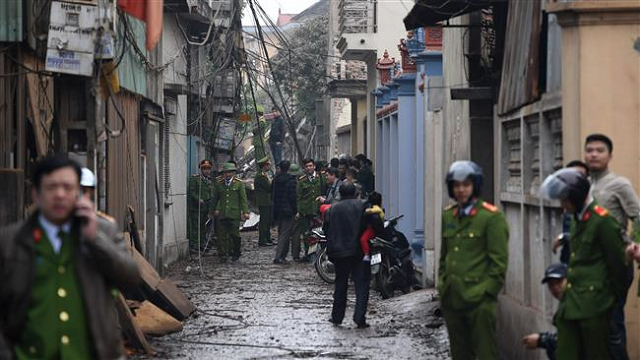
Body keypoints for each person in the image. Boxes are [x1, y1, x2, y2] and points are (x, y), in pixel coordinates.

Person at [0, 155, 140, 359]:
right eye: (51, 187)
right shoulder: (10, 242)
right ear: (36, 194)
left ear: (79, 193)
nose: (59, 194)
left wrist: (94, 240)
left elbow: (131, 279)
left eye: (67, 187)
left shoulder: (104, 230)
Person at [538, 168, 628, 360]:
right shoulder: (578, 219)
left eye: (565, 200)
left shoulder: (602, 221)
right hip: (572, 304)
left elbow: (619, 267)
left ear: (577, 198)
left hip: (595, 306)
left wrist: (609, 301)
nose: (563, 205)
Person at [438, 160, 509, 360]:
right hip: (452, 297)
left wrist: (487, 294)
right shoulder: (448, 216)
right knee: (460, 354)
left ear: (475, 186)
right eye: (456, 185)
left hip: (479, 300)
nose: (461, 190)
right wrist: (442, 284)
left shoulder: (491, 217)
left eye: (466, 185)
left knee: (486, 353)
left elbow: (499, 262)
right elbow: (445, 256)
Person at [584, 134, 639, 360]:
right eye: (590, 150)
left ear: (610, 155)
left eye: (600, 150)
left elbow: (638, 216)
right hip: (590, 263)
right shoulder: (584, 185)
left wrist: (634, 244)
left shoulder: (619, 184)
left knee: (612, 323)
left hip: (615, 262)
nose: (594, 154)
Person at [324, 184, 370, 328]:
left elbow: (327, 230)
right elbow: (368, 225)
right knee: (361, 285)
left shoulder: (332, 209)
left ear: (340, 194)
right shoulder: (362, 206)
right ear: (355, 193)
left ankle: (337, 317)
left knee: (341, 284)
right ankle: (359, 317)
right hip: (358, 251)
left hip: (340, 252)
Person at [522, 263, 568, 360]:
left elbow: (571, 341)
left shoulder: (575, 306)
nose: (555, 288)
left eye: (559, 282)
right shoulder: (564, 304)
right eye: (551, 285)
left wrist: (541, 340)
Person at [552, 160, 590, 264]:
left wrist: (563, 237)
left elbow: (586, 234)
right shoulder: (568, 202)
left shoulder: (593, 208)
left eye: (581, 176)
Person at [214, 162, 250, 262]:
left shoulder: (239, 183)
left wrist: (245, 211)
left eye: (230, 172)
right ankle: (223, 254)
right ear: (223, 173)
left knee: (235, 234)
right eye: (226, 173)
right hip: (222, 212)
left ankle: (236, 252)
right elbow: (216, 199)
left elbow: (243, 199)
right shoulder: (219, 183)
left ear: (233, 173)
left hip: (234, 213)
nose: (228, 175)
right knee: (222, 235)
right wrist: (213, 210)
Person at [293, 158, 324, 262]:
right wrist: (298, 211)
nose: (309, 168)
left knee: (319, 233)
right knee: (306, 234)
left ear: (314, 166)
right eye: (306, 166)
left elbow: (324, 190)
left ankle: (320, 255)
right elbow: (299, 197)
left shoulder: (321, 177)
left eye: (310, 166)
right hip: (305, 211)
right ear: (304, 168)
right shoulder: (301, 180)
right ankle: (308, 254)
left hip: (318, 210)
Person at [273, 162, 298, 264]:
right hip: (288, 211)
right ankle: (279, 256)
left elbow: (273, 195)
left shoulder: (276, 180)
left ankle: (283, 255)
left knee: (282, 232)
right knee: (284, 234)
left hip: (278, 209)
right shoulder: (291, 181)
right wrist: (295, 210)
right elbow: (292, 198)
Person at [188, 159, 215, 253]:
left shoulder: (210, 180)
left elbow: (211, 193)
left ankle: (201, 244)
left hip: (206, 208)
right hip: (196, 207)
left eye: (208, 168)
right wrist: (198, 199)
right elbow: (192, 192)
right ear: (201, 169)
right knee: (196, 227)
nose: (207, 170)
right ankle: (194, 246)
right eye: (204, 169)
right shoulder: (195, 179)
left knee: (204, 227)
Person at [254, 156, 274, 247]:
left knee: (267, 221)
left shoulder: (264, 175)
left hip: (266, 201)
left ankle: (267, 238)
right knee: (264, 222)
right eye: (268, 164)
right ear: (264, 166)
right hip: (264, 202)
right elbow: (269, 188)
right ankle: (263, 240)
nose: (269, 166)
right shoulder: (261, 176)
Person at [359, 192, 385, 262]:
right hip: (378, 229)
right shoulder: (379, 209)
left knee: (363, 239)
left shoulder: (374, 209)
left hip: (372, 229)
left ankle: (366, 254)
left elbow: (367, 211)